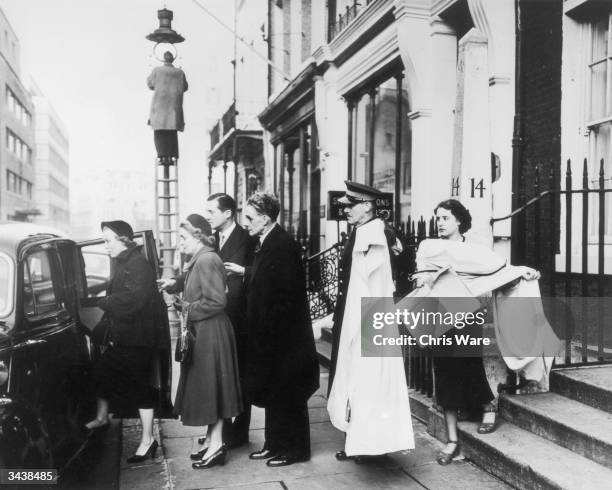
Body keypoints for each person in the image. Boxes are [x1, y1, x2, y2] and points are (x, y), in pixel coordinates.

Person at [410, 199, 560, 465]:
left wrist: (522, 273)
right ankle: (452, 440)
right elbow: (420, 276)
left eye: (445, 218)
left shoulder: (476, 252)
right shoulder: (429, 248)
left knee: (470, 366)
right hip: (439, 316)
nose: (440, 223)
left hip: (467, 315)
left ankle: (488, 406)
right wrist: (424, 280)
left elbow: (497, 273)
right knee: (443, 373)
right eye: (438, 219)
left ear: (459, 220)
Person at [327, 181, 415, 461]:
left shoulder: (376, 233)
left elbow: (373, 284)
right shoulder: (363, 231)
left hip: (369, 316)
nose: (346, 211)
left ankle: (369, 443)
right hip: (356, 313)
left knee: (369, 379)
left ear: (366, 206)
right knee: (356, 377)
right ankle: (360, 440)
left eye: (350, 206)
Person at [242, 192, 319, 467]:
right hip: (272, 337)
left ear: (265, 219)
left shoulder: (282, 244)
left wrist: (268, 329)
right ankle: (274, 444)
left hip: (285, 338)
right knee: (276, 393)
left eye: (250, 218)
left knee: (290, 395)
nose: (245, 222)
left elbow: (286, 296)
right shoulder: (267, 241)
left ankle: (295, 450)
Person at [168, 214, 243, 469]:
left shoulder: (207, 259)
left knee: (214, 391)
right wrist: (184, 305)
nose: (180, 243)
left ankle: (217, 445)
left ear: (198, 236)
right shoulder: (201, 259)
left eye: (183, 238)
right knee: (213, 391)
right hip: (206, 331)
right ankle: (213, 442)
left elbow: (216, 302)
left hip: (211, 333)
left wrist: (186, 308)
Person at [85, 220, 160, 463]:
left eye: (108, 241)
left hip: (137, 340)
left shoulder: (137, 265)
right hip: (125, 340)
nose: (105, 246)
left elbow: (133, 301)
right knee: (101, 372)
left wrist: (104, 302)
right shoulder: (125, 262)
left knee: (141, 390)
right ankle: (103, 417)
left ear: (124, 240)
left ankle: (148, 440)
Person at [205, 193, 255, 449]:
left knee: (242, 374)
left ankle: (239, 432)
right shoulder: (211, 240)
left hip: (238, 319)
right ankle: (217, 430)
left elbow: (250, 277)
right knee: (219, 375)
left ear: (228, 213)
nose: (208, 216)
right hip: (217, 317)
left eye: (211, 211)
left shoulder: (246, 239)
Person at [147, 51, 188, 164]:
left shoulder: (157, 70)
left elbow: (150, 84)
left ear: (164, 59)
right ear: (173, 59)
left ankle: (162, 156)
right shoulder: (180, 72)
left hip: (159, 108)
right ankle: (170, 156)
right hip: (173, 110)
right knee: (171, 133)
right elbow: (185, 87)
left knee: (159, 132)